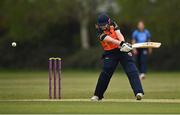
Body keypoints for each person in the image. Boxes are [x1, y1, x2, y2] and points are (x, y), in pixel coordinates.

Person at [91, 14, 144, 101]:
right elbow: (110, 40)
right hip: (110, 53)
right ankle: (97, 95)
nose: (103, 27)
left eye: (104, 25)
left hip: (122, 50)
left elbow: (119, 34)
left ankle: (138, 92)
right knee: (106, 72)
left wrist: (123, 44)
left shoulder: (113, 24)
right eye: (101, 25)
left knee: (132, 70)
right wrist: (122, 44)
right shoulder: (99, 31)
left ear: (108, 22)